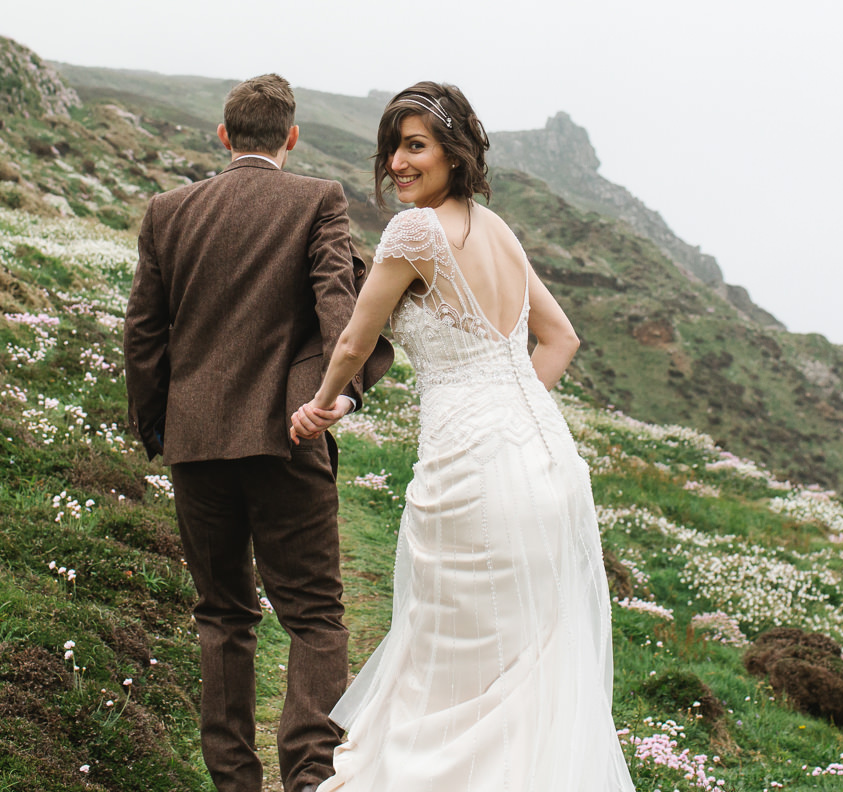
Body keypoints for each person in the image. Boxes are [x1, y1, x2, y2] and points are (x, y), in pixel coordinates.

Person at [289, 83, 635, 791]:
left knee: (457, 650)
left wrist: (321, 405)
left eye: (416, 145)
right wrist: (506, 414)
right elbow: (560, 339)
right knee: (526, 658)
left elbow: (356, 338)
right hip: (546, 463)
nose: (399, 162)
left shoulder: (415, 232)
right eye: (393, 147)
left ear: (455, 151)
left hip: (475, 472)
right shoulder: (498, 229)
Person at [124, 73, 392, 792]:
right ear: (291, 137)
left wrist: (158, 426)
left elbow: (144, 332)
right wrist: (341, 394)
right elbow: (340, 303)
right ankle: (308, 778)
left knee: (222, 616)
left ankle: (235, 782)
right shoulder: (317, 200)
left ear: (224, 135)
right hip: (289, 439)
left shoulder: (167, 211)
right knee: (314, 618)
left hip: (195, 444)